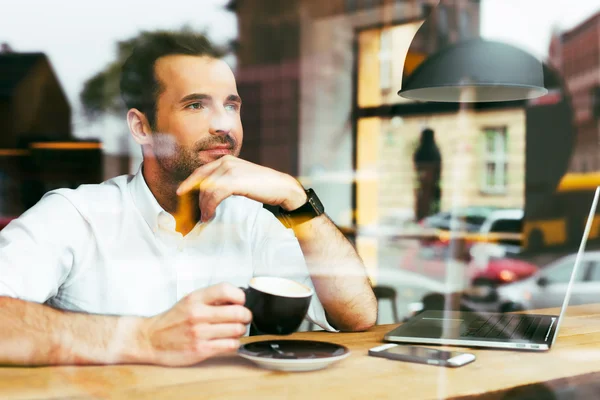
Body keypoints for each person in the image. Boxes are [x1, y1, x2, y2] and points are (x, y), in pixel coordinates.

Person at [0, 32, 377, 367]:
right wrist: (145, 337)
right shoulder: (76, 216)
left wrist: (297, 199)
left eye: (231, 106)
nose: (224, 125)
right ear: (142, 126)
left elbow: (356, 317)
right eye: (196, 105)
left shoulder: (253, 221)